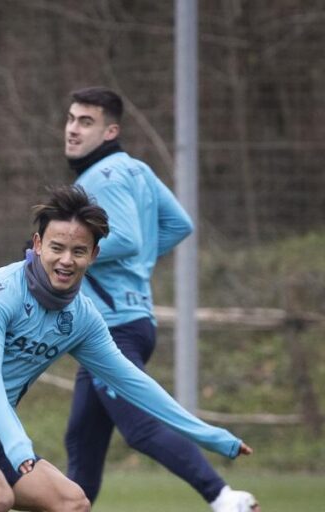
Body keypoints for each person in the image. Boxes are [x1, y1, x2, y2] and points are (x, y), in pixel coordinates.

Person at [0, 185, 253, 511]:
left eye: (78, 251)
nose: (66, 260)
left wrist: (211, 436)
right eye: (57, 248)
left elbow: (134, 383)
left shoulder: (83, 318)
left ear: (94, 254)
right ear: (39, 244)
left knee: (72, 503)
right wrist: (16, 444)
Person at [62, 87, 259, 512]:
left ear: (110, 130)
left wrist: (66, 253)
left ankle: (225, 498)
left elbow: (128, 237)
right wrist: (138, 266)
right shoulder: (137, 170)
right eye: (72, 119)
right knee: (83, 437)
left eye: (86, 122)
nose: (73, 129)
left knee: (140, 428)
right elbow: (179, 224)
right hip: (131, 318)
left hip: (112, 327)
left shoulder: (102, 176)